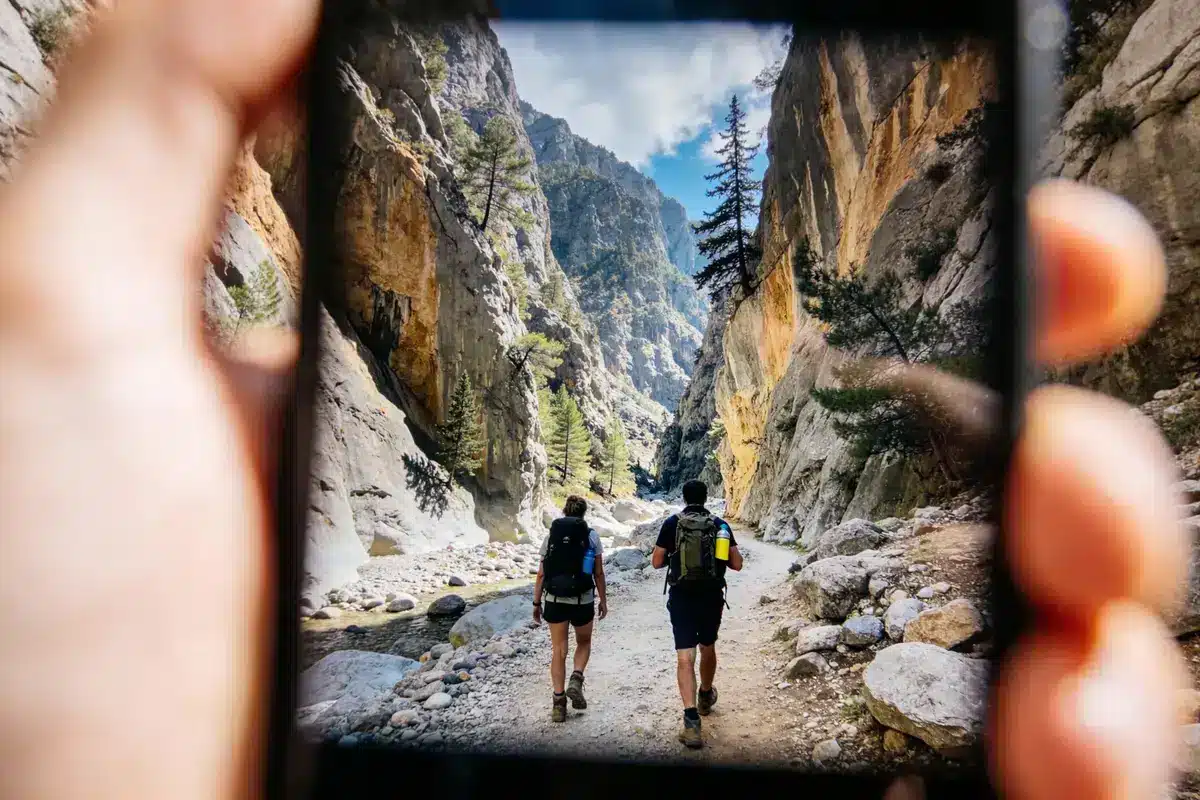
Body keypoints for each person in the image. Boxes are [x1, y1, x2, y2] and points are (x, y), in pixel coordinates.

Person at [0, 1, 1189, 797]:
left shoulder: (611, 526)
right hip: (688, 592)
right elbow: (721, 546)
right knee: (700, 646)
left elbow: (560, 579)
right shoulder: (699, 524)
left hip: (589, 588)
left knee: (587, 644)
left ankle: (580, 690)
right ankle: (692, 693)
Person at [652, 479, 743, 748]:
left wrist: (674, 557)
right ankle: (705, 695)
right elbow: (736, 564)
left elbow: (657, 562)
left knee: (684, 657)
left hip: (682, 597)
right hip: (711, 597)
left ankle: (691, 723)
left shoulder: (672, 523)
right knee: (708, 646)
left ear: (684, 497)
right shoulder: (719, 525)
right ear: (705, 498)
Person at [533, 495, 609, 722]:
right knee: (583, 642)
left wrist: (536, 604)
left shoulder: (551, 536)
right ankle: (576, 678)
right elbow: (598, 573)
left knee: (558, 650)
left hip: (554, 600)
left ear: (565, 511)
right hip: (582, 600)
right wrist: (603, 600)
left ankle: (558, 704)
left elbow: (541, 574)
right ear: (584, 513)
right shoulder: (591, 536)